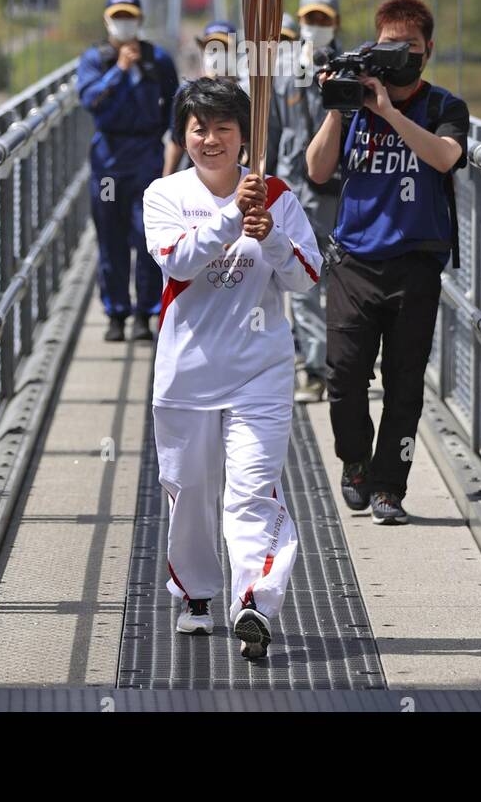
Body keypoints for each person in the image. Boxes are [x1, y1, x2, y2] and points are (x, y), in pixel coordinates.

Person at [142, 77, 322, 658]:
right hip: (186, 372)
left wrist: (271, 238)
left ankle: (256, 603)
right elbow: (178, 261)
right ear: (185, 135)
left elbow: (306, 276)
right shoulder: (163, 194)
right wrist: (231, 219)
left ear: (245, 136)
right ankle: (196, 594)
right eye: (200, 129)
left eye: (224, 128)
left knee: (250, 493)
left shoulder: (278, 195)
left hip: (259, 372)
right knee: (190, 491)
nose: (211, 139)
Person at [305, 0, 469, 526]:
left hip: (416, 261)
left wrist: (389, 113)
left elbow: (445, 157)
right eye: (390, 47)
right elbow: (318, 170)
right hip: (354, 258)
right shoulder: (355, 101)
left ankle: (388, 488)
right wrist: (340, 106)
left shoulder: (443, 106)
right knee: (345, 375)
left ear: (429, 50)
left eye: (412, 47)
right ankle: (354, 461)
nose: (401, 56)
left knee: (404, 382)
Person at [77, 0, 180, 343]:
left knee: (147, 236)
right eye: (118, 16)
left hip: (147, 156)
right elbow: (89, 99)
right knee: (111, 239)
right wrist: (120, 70)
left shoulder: (158, 59)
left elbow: (176, 107)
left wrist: (172, 150)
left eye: (130, 16)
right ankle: (116, 313)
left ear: (140, 20)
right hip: (109, 156)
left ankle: (145, 314)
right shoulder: (95, 59)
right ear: (107, 19)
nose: (124, 23)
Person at [269, 0, 344, 403]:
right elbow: (275, 130)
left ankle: (339, 362)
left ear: (335, 23)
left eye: (322, 20)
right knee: (303, 277)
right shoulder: (283, 70)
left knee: (339, 278)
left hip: (335, 190)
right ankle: (315, 368)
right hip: (291, 189)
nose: (314, 27)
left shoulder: (349, 70)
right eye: (309, 19)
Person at [162, 20, 240, 177]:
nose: (216, 53)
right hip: (198, 174)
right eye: (211, 48)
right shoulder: (187, 92)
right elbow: (176, 141)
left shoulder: (246, 92)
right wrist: (166, 177)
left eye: (222, 48)